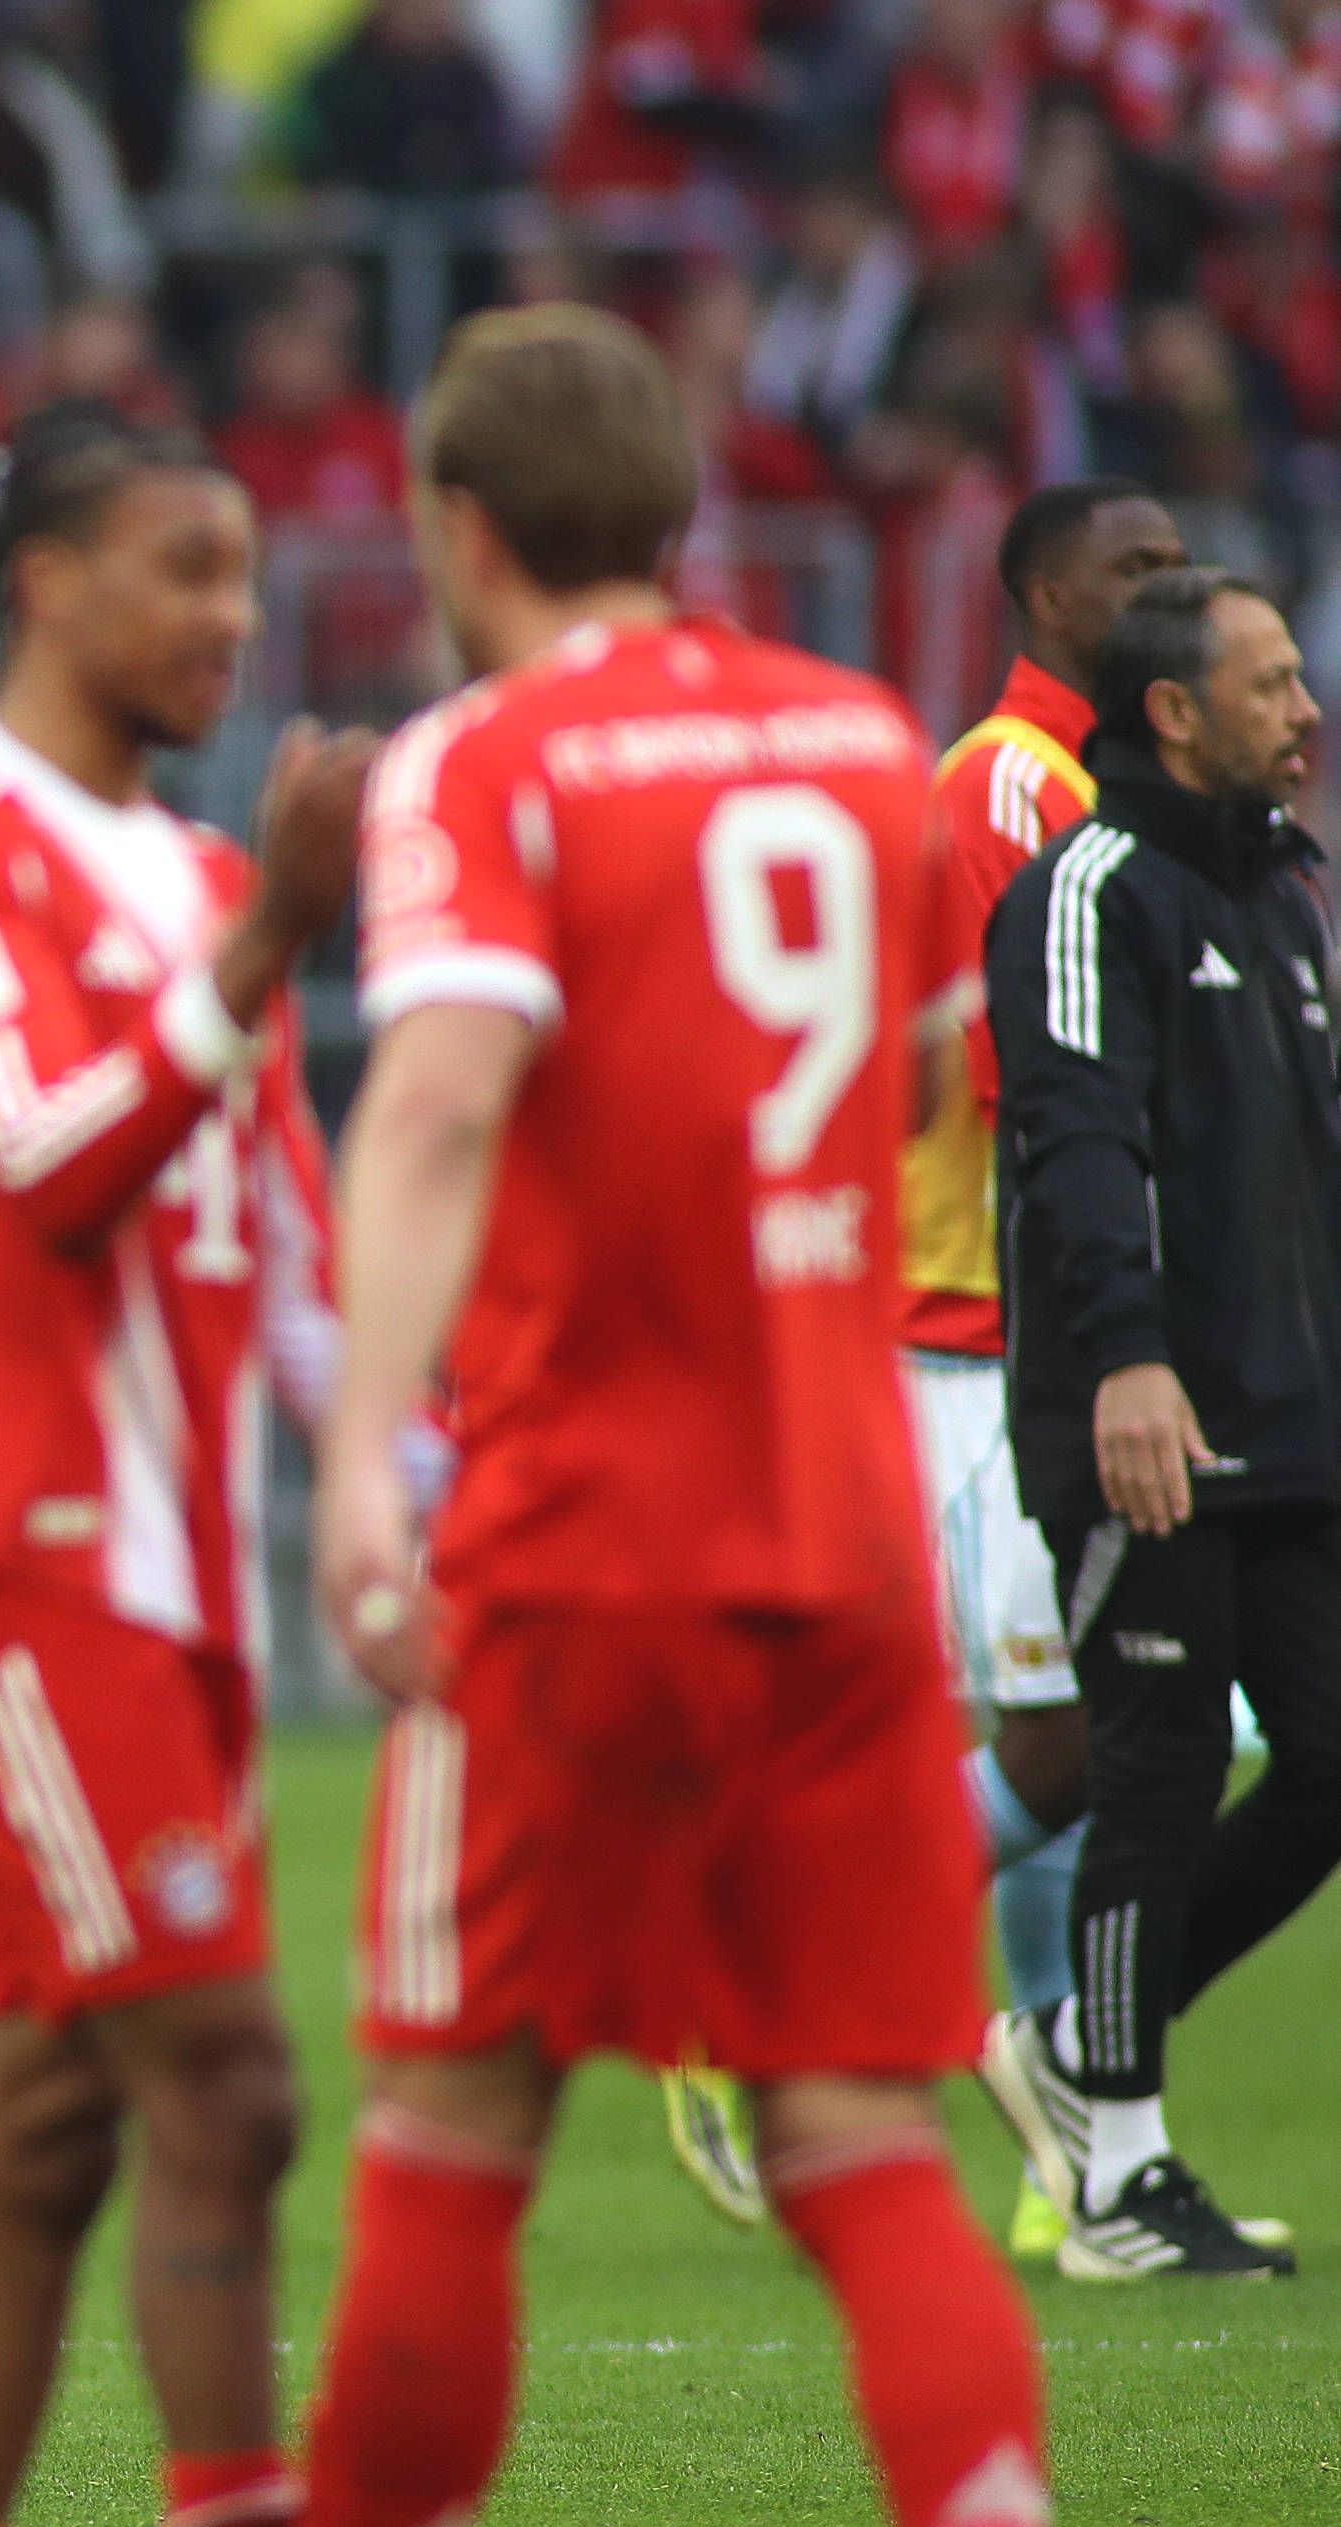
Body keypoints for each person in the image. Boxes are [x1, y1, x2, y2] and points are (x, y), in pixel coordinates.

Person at [201, 309, 1058, 2527]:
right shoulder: (841, 736)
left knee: (457, 2127)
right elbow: (915, 1075)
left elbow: (445, 1098)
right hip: (829, 1532)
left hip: (573, 1543)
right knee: (864, 2135)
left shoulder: (486, 760)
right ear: (682, 514)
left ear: (461, 531)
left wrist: (364, 1462)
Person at [0, 405, 555, 2527]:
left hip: (175, 1578)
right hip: (15, 1553)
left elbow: (299, 1235)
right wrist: (257, 955)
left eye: (243, 571)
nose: (235, 618)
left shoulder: (207, 858)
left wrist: (396, 1498)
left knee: (46, 2137)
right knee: (223, 2089)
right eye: (182, 567)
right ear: (38, 581)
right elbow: (44, 1160)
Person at [660, 479, 1191, 2238]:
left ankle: (1065, 2152)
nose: (1164, 594)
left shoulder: (1101, 787)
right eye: (1134, 571)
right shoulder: (1007, 785)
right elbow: (1014, 1075)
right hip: (968, 1329)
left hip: (1013, 1324)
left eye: (1179, 570)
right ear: (1040, 595)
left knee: (1062, 1724)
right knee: (1069, 1746)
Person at [979, 567, 1334, 2283]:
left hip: (1289, 1419)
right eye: (1270, 686)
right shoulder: (1083, 889)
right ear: (1173, 714)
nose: (1305, 710)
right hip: (1144, 1420)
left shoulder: (1278, 896)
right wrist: (1125, 1363)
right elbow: (1070, 1137)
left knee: (1327, 1762)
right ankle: (1116, 2174)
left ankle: (1065, 2044)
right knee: (1155, 1769)